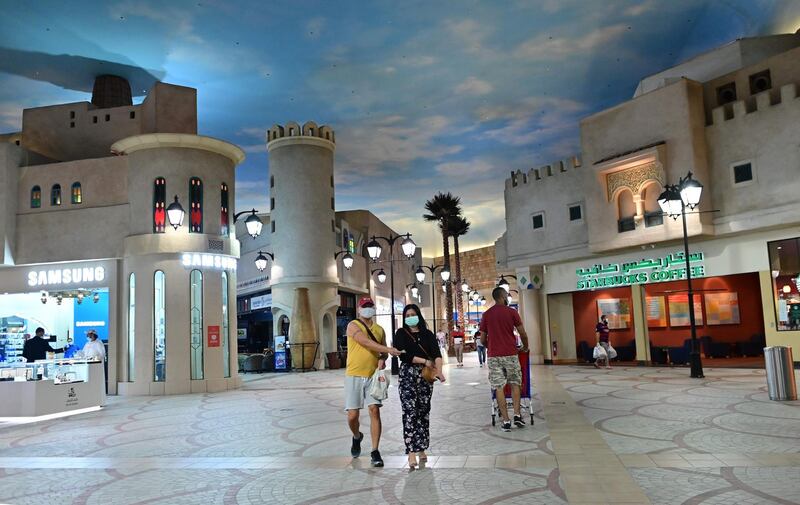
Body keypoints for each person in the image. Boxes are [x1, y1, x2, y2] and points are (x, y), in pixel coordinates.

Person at [345, 297, 401, 467]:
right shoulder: (352, 325)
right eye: (365, 306)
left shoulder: (379, 329)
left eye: (370, 306)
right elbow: (365, 342)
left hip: (372, 376)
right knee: (352, 415)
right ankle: (357, 436)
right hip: (354, 374)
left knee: (374, 410)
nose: (368, 309)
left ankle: (375, 451)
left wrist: (383, 358)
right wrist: (388, 350)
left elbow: (381, 352)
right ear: (359, 308)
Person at [393, 304, 445, 469]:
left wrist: (440, 371)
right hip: (408, 375)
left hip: (425, 376)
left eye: (413, 314)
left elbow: (437, 354)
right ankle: (410, 451)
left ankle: (422, 448)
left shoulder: (427, 334)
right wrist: (424, 361)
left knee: (423, 411)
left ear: (418, 316)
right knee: (410, 412)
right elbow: (404, 355)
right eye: (407, 315)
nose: (410, 317)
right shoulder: (401, 333)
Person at [480, 287, 530, 432]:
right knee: (515, 384)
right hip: (511, 354)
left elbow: (482, 339)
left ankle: (506, 421)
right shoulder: (512, 312)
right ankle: (517, 415)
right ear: (503, 297)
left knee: (499, 387)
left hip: (494, 356)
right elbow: (523, 333)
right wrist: (525, 347)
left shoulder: (487, 315)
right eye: (506, 296)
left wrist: (490, 346)